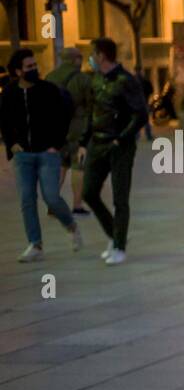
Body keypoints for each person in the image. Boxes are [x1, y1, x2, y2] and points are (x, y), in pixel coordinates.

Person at [1, 49, 83, 262]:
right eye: (29, 67)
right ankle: (35, 244)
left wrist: (56, 144)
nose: (34, 69)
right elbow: (5, 122)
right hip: (22, 156)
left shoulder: (48, 90)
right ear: (18, 71)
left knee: (51, 197)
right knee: (27, 200)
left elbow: (63, 117)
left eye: (34, 65)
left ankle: (72, 227)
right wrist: (12, 145)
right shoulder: (9, 93)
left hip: (47, 153)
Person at [79, 37, 147, 266]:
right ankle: (114, 233)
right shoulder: (96, 80)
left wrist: (122, 137)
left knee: (120, 198)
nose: (90, 58)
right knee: (88, 192)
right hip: (97, 144)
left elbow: (141, 114)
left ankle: (119, 246)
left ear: (101, 55)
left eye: (92, 54)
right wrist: (83, 142)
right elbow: (92, 113)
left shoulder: (126, 81)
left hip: (120, 147)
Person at [45, 47, 95, 215]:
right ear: (76, 60)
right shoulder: (83, 79)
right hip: (77, 128)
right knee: (77, 166)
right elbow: (91, 105)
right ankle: (77, 205)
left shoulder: (49, 77)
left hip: (55, 130)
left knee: (60, 166)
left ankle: (52, 204)